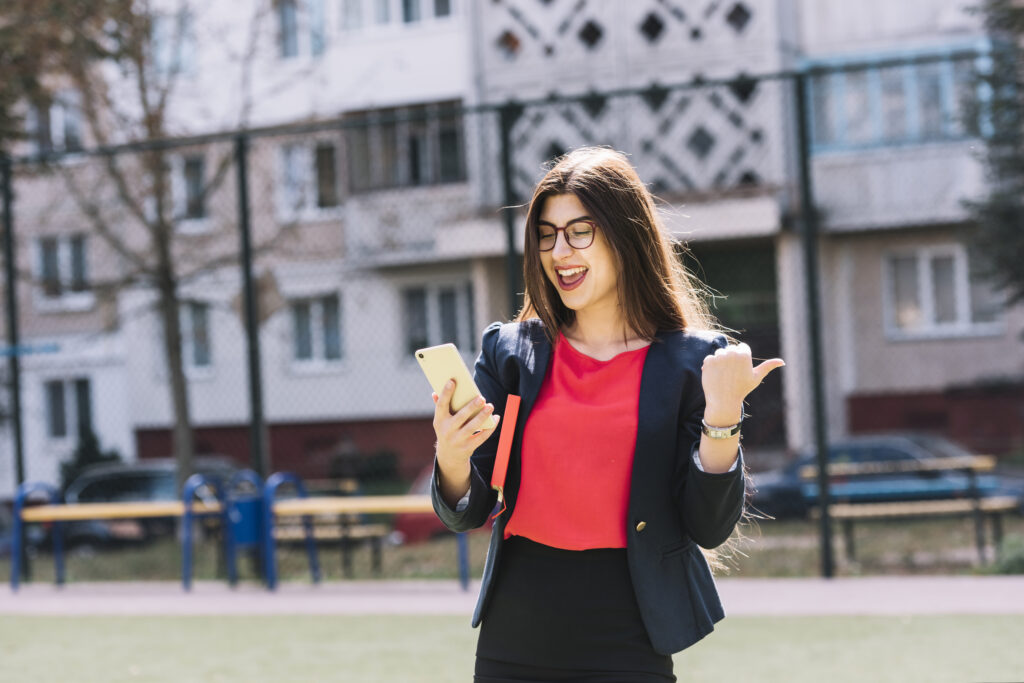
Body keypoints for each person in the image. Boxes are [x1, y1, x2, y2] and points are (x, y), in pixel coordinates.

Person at [429, 146, 784, 682]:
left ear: (626, 236)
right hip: (516, 629)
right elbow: (469, 509)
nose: (559, 251)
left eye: (580, 231)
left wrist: (723, 417)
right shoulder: (508, 353)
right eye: (547, 234)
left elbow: (708, 527)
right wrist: (452, 459)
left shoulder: (693, 362)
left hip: (630, 632)